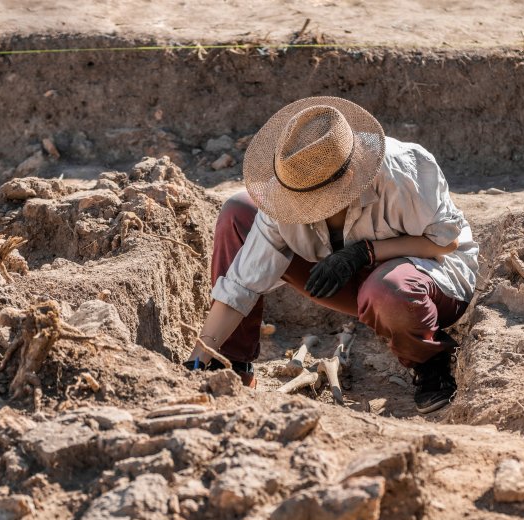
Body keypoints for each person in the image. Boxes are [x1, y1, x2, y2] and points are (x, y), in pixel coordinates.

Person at [183, 96, 478, 414]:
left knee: (389, 289)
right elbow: (241, 282)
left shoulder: (404, 171)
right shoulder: (289, 188)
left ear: (348, 179)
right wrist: (201, 356)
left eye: (314, 201)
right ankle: (231, 365)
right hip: (345, 279)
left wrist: (365, 253)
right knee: (239, 211)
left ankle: (430, 360)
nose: (301, 210)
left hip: (431, 278)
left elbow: (446, 243)